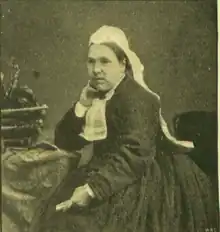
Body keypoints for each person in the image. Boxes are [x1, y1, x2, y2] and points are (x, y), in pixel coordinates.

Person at [37, 26, 217, 232]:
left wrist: (92, 190)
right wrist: (82, 105)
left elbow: (136, 153)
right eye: (91, 61)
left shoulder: (139, 98)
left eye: (105, 61)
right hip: (108, 168)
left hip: (142, 177)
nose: (96, 69)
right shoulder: (96, 95)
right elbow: (64, 141)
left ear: (123, 64)